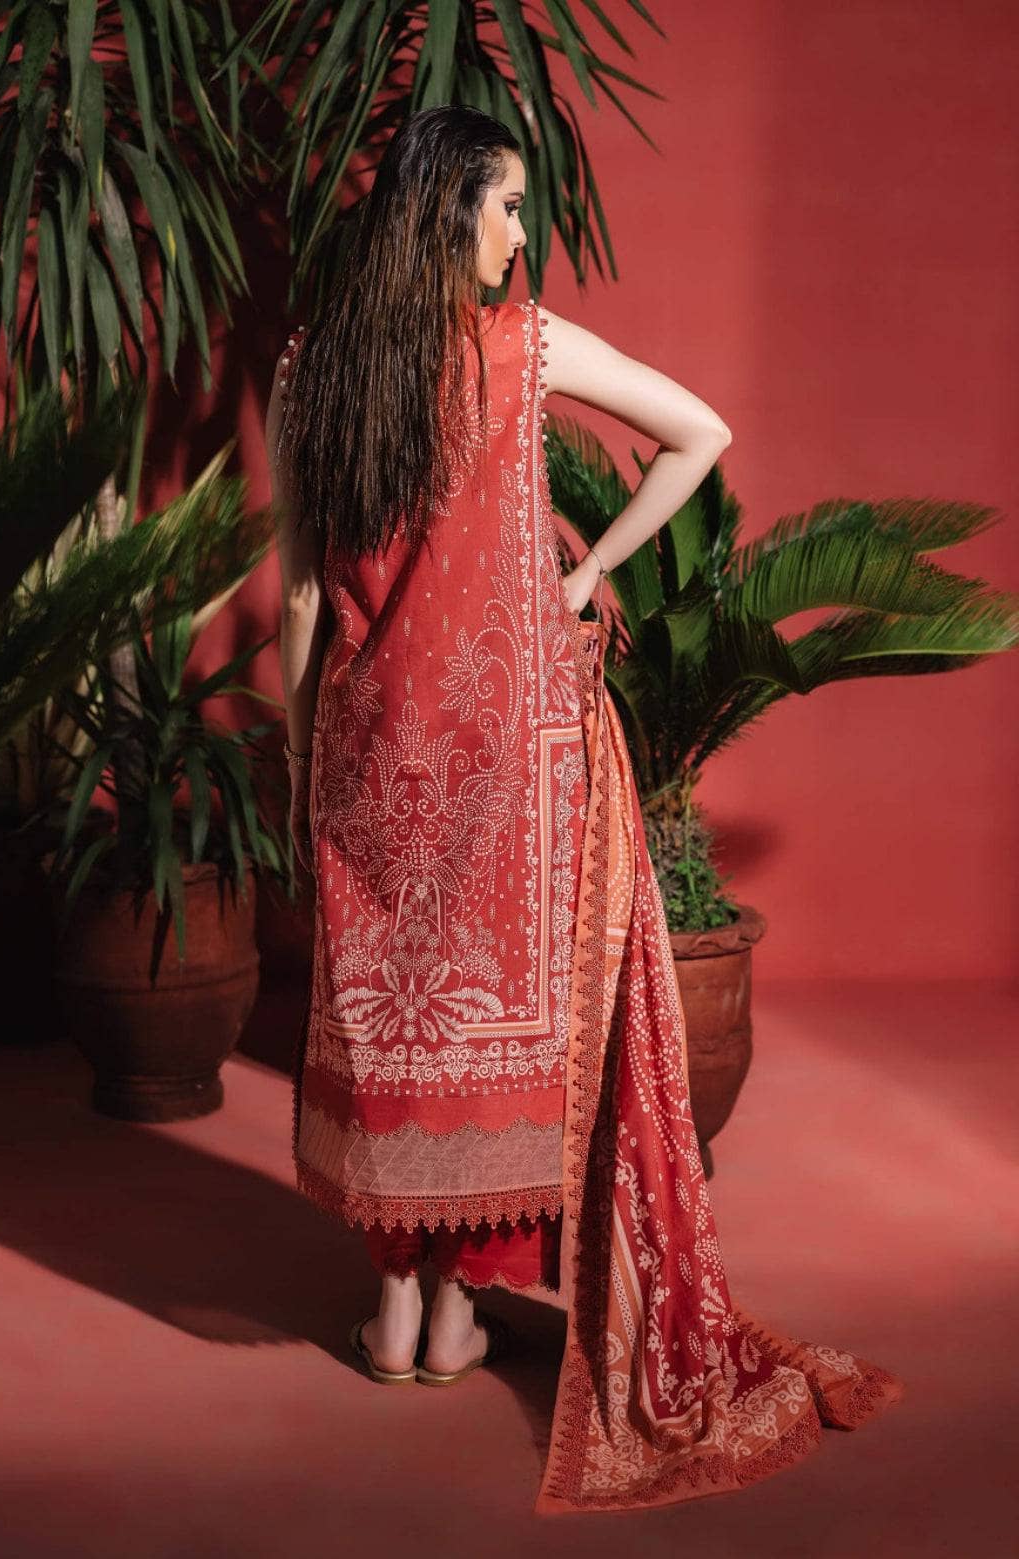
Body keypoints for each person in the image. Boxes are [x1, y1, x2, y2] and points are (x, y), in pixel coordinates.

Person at [266, 105, 902, 1515]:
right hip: (509, 752)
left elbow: (304, 598)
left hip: (376, 754)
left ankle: (396, 1317)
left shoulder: (311, 373)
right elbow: (701, 436)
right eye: (500, 210)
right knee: (505, 1029)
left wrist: (306, 758)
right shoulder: (526, 349)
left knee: (398, 1018)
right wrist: (576, 574)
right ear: (446, 216)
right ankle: (456, 1312)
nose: (517, 239)